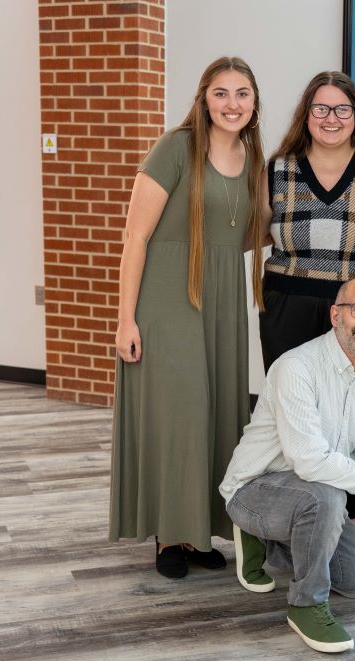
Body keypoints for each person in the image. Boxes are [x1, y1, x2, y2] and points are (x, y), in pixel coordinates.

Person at [108, 57, 267, 579]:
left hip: (221, 298)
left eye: (242, 94)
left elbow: (251, 233)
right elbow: (135, 237)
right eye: (221, 93)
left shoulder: (254, 157)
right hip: (169, 296)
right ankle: (169, 535)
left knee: (217, 412)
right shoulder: (175, 147)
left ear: (253, 102)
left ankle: (199, 530)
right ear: (203, 99)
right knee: (180, 414)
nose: (232, 104)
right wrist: (125, 320)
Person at [220, 277, 355, 653]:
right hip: (254, 490)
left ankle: (268, 545)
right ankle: (306, 604)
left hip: (312, 497)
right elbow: (309, 460)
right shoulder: (296, 367)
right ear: (336, 315)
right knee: (325, 495)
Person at [257, 71, 355, 561]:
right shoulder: (278, 167)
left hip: (353, 304)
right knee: (295, 416)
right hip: (287, 300)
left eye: (342, 109)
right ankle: (288, 520)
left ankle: (348, 525)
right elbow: (251, 229)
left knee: (349, 415)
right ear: (306, 114)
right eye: (321, 108)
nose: (331, 118)